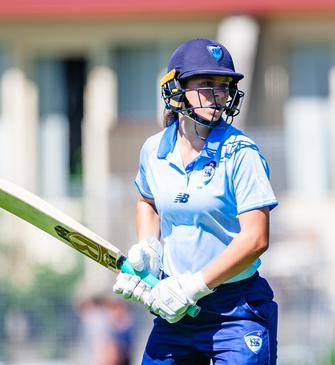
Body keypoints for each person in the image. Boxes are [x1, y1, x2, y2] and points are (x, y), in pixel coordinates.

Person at [112, 38, 278, 364]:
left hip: (235, 308)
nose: (218, 95)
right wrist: (149, 247)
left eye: (223, 86)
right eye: (206, 84)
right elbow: (147, 201)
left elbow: (256, 238)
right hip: (177, 313)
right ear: (177, 89)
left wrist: (195, 285)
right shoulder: (154, 150)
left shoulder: (241, 153)